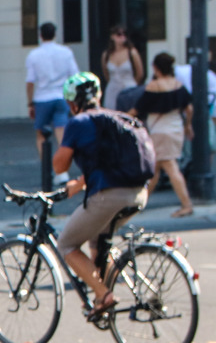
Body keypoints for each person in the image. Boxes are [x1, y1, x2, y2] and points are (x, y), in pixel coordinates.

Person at [52, 72, 152, 316]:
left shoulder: (79, 123)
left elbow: (59, 166)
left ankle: (103, 295)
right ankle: (106, 300)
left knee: (66, 244)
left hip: (109, 197)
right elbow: (110, 163)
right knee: (97, 241)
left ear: (72, 102)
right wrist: (79, 184)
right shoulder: (119, 118)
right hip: (139, 193)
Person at [130, 53, 194, 218]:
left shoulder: (153, 86)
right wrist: (188, 127)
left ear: (156, 68)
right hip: (176, 129)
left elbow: (137, 109)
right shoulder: (178, 85)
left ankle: (186, 204)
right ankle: (139, 203)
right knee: (155, 169)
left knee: (168, 167)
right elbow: (189, 109)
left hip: (159, 131)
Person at [25, 22, 80, 182]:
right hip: (61, 95)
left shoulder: (34, 55)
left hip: (42, 97)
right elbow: (74, 75)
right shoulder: (65, 52)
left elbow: (30, 81)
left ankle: (47, 169)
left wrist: (30, 102)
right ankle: (62, 171)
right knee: (61, 133)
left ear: (40, 35)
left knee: (41, 134)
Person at [100, 25, 143, 115]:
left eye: (125, 34)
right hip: (113, 90)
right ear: (112, 36)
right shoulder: (107, 55)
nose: (122, 37)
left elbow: (140, 73)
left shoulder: (132, 52)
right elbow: (106, 74)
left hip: (129, 88)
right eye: (119, 34)